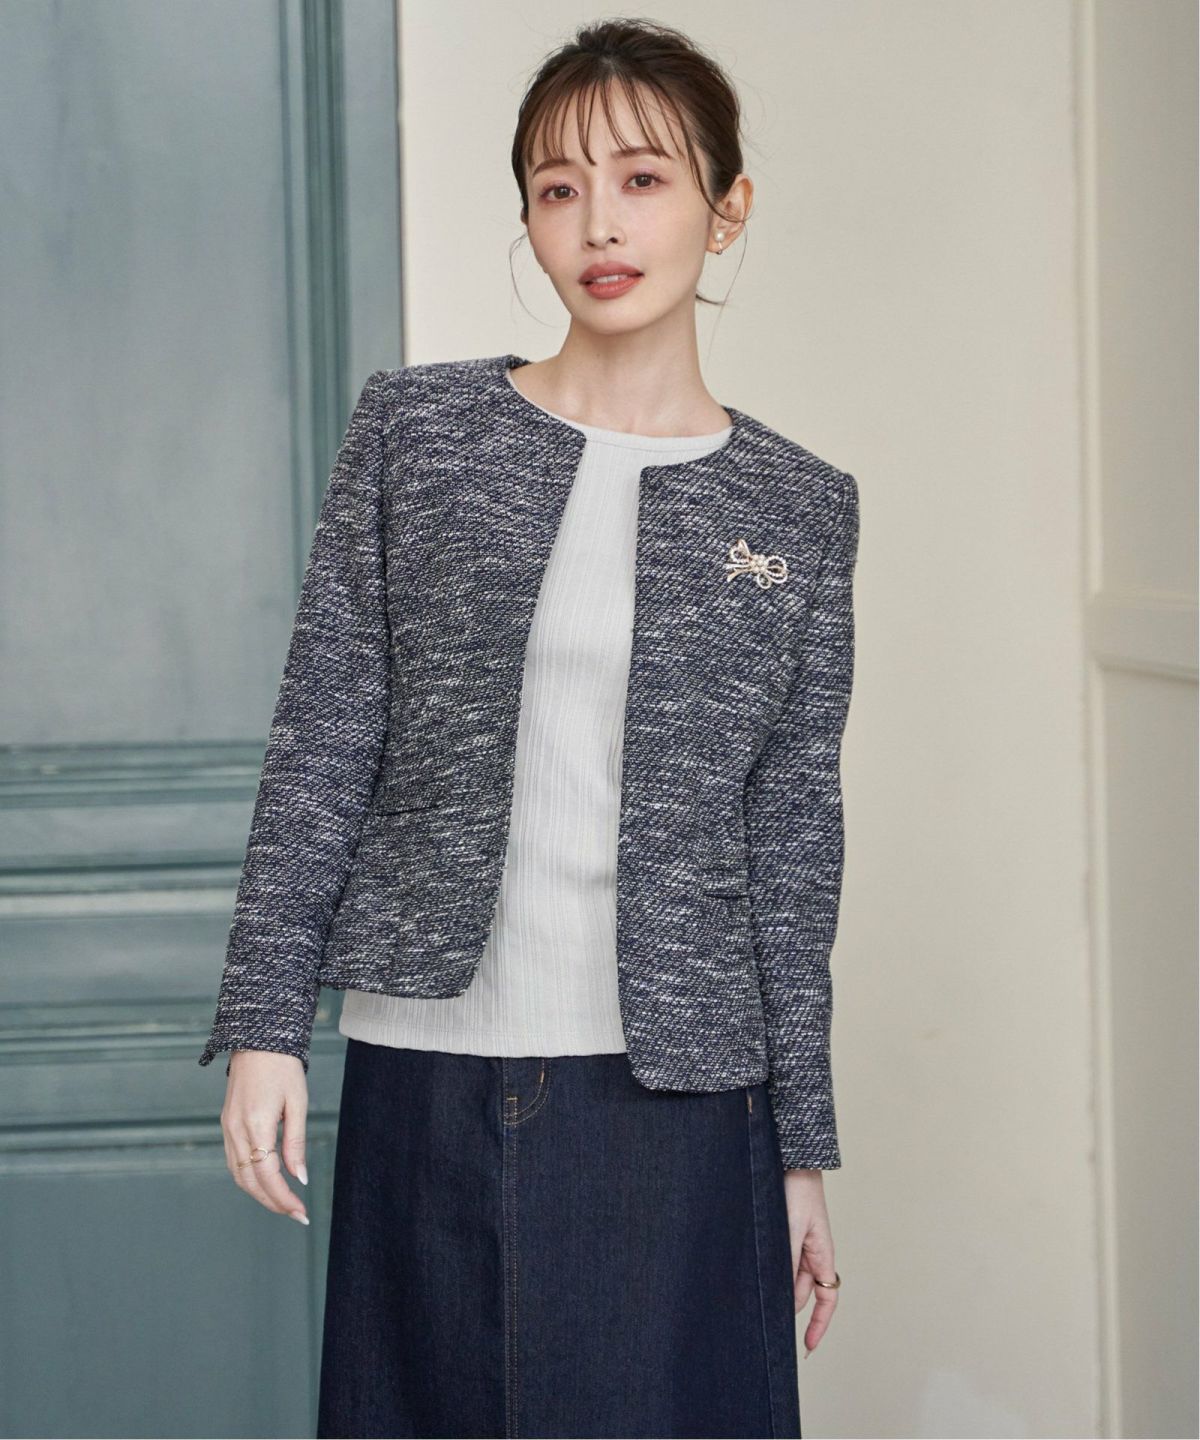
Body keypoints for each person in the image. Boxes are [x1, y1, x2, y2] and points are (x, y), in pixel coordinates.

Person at [199, 17, 858, 1439]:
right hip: (431, 1071)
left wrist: (800, 1147)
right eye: (559, 188)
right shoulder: (418, 434)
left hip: (687, 1095)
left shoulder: (800, 508)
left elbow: (793, 840)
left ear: (727, 208)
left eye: (643, 180)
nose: (599, 223)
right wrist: (265, 1022)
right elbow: (327, 734)